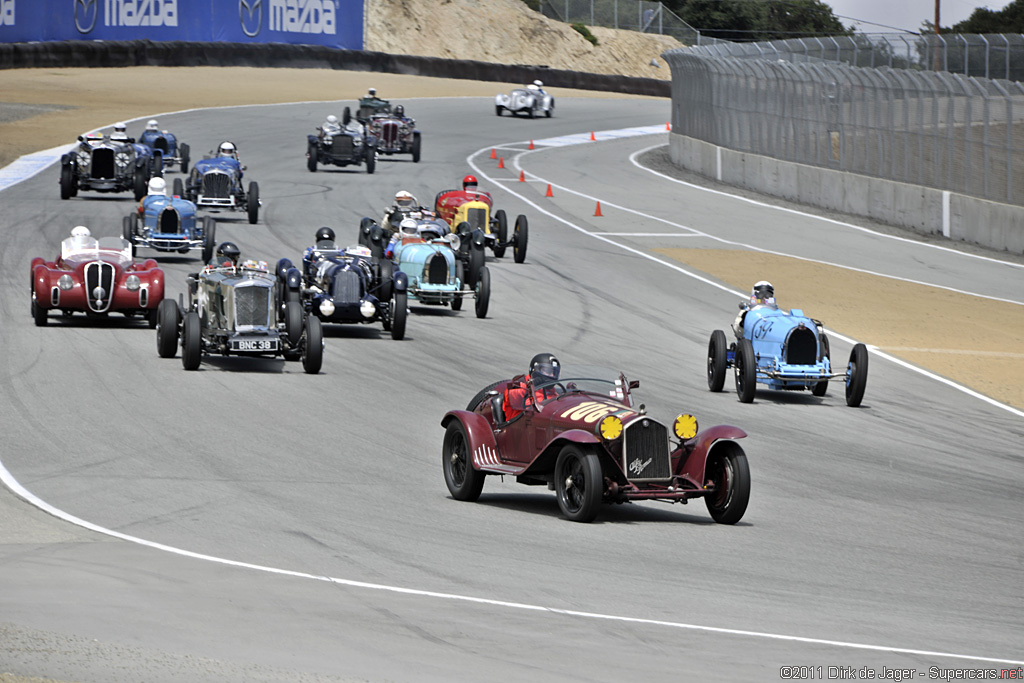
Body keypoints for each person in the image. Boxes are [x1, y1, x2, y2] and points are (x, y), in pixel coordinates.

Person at [503, 353, 561, 420]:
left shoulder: (552, 392)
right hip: (521, 426)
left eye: (554, 373)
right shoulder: (520, 386)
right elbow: (512, 393)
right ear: (535, 369)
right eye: (548, 371)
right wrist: (530, 385)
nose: (552, 375)